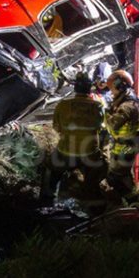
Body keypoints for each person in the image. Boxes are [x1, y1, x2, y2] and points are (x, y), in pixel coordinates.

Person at [40, 72, 103, 201]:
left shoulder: (63, 105)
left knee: (51, 169)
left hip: (66, 151)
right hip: (90, 151)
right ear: (89, 88)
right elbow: (100, 127)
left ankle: (48, 199)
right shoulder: (98, 106)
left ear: (75, 88)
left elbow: (56, 127)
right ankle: (93, 201)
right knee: (94, 177)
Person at [100, 69, 139, 202]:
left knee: (115, 177)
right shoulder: (127, 99)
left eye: (112, 89)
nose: (111, 92)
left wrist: (104, 111)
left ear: (120, 86)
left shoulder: (127, 106)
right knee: (124, 175)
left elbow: (112, 125)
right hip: (125, 145)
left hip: (126, 147)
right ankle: (134, 199)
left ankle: (134, 201)